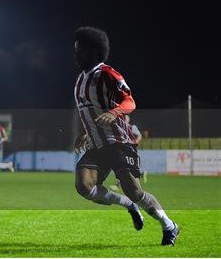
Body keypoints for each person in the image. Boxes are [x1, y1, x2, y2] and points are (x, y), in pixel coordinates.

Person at [73, 26, 179, 246]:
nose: (76, 54)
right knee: (84, 186)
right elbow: (92, 112)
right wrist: (85, 132)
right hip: (96, 145)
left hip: (119, 143)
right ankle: (128, 205)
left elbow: (129, 101)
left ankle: (169, 225)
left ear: (93, 50)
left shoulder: (108, 74)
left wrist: (114, 113)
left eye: (79, 50)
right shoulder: (79, 82)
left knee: (136, 191)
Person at [110, 116, 147, 191]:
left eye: (124, 118)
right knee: (124, 167)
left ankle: (137, 187)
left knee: (129, 168)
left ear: (128, 119)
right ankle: (142, 173)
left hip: (131, 149)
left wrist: (135, 142)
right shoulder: (119, 127)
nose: (122, 119)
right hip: (123, 149)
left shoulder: (132, 127)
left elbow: (139, 136)